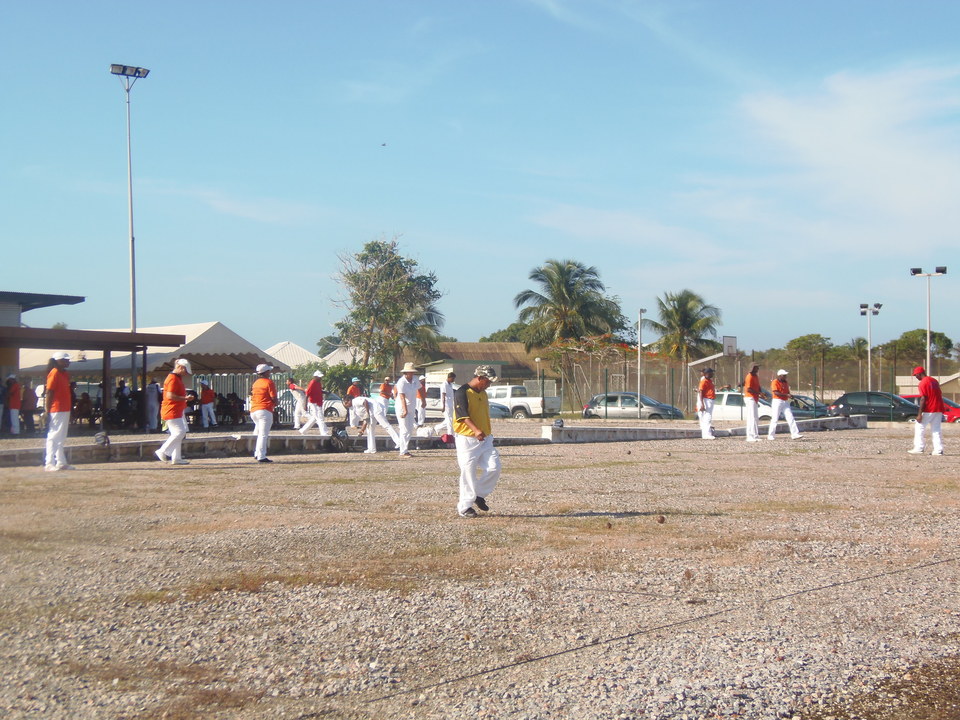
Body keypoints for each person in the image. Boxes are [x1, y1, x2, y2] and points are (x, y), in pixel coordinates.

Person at [453, 365, 502, 518]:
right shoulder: (462, 392)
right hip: (467, 439)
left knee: (494, 467)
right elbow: (463, 415)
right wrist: (475, 430)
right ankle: (465, 507)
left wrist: (484, 432)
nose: (489, 385)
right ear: (480, 378)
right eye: (488, 381)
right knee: (468, 472)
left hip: (485, 438)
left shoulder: (483, 393)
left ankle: (479, 495)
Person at [156, 359, 193, 465]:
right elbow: (170, 396)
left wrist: (184, 399)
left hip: (176, 409)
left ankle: (176, 458)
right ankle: (163, 451)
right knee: (180, 432)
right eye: (185, 371)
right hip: (172, 409)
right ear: (181, 367)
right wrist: (185, 398)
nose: (186, 374)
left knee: (178, 433)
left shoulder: (176, 378)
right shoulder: (173, 378)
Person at [44, 352, 73, 471]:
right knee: (54, 435)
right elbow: (49, 392)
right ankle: (49, 463)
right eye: (65, 360)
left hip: (65, 408)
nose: (68, 361)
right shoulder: (54, 373)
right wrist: (47, 410)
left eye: (68, 359)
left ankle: (61, 462)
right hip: (56, 408)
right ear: (58, 361)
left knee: (61, 436)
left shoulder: (64, 373)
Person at [909, 366, 945, 455]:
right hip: (939, 407)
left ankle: (919, 448)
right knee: (936, 429)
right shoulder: (934, 381)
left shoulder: (923, 383)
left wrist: (919, 414)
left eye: (916, 375)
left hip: (929, 408)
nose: (916, 377)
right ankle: (938, 450)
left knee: (919, 427)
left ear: (919, 374)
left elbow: (923, 399)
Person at [250, 363, 278, 462]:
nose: (270, 372)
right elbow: (273, 397)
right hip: (265, 409)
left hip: (254, 410)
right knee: (263, 434)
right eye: (269, 371)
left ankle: (256, 453)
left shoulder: (255, 383)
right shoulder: (269, 382)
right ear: (266, 372)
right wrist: (276, 403)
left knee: (258, 432)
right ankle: (261, 456)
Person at [767, 369, 803, 440]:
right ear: (780, 376)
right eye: (784, 375)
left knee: (790, 417)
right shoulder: (775, 382)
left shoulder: (785, 382)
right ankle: (771, 435)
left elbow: (787, 392)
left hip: (785, 401)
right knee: (775, 418)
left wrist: (790, 395)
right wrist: (786, 394)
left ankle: (795, 434)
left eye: (785, 375)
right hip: (777, 401)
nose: (785, 376)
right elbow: (776, 392)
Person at [394, 363, 420, 458]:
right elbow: (402, 397)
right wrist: (404, 410)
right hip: (402, 407)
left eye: (413, 372)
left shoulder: (415, 379)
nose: (412, 374)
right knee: (404, 429)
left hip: (412, 407)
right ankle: (403, 451)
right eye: (410, 372)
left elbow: (420, 389)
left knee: (409, 429)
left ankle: (405, 448)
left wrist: (424, 400)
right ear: (406, 372)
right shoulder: (401, 382)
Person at [299, 370, 330, 436]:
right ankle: (324, 432)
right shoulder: (312, 383)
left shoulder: (318, 383)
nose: (320, 378)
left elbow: (318, 391)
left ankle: (303, 430)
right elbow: (307, 394)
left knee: (314, 418)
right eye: (319, 377)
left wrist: (325, 392)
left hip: (318, 402)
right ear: (315, 377)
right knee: (320, 418)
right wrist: (305, 405)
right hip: (313, 403)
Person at [695, 367, 716, 439]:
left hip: (710, 400)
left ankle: (706, 433)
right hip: (707, 400)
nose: (712, 374)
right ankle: (707, 434)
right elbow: (701, 392)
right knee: (707, 417)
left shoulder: (709, 381)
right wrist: (702, 404)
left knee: (707, 417)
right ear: (707, 374)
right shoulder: (704, 381)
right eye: (711, 373)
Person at [743, 364, 762, 442]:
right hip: (749, 397)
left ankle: (755, 435)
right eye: (756, 367)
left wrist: (761, 392)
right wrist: (758, 393)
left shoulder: (756, 376)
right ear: (753, 368)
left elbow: (758, 386)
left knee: (755, 418)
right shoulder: (749, 376)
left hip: (754, 398)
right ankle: (750, 436)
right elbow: (749, 389)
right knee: (751, 417)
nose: (758, 369)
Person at [434, 372, 456, 436]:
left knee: (450, 419)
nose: (453, 380)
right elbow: (443, 395)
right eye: (453, 379)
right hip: (446, 405)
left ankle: (437, 427)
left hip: (450, 404)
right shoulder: (444, 384)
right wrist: (443, 406)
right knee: (449, 420)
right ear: (449, 378)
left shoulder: (450, 384)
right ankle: (450, 434)